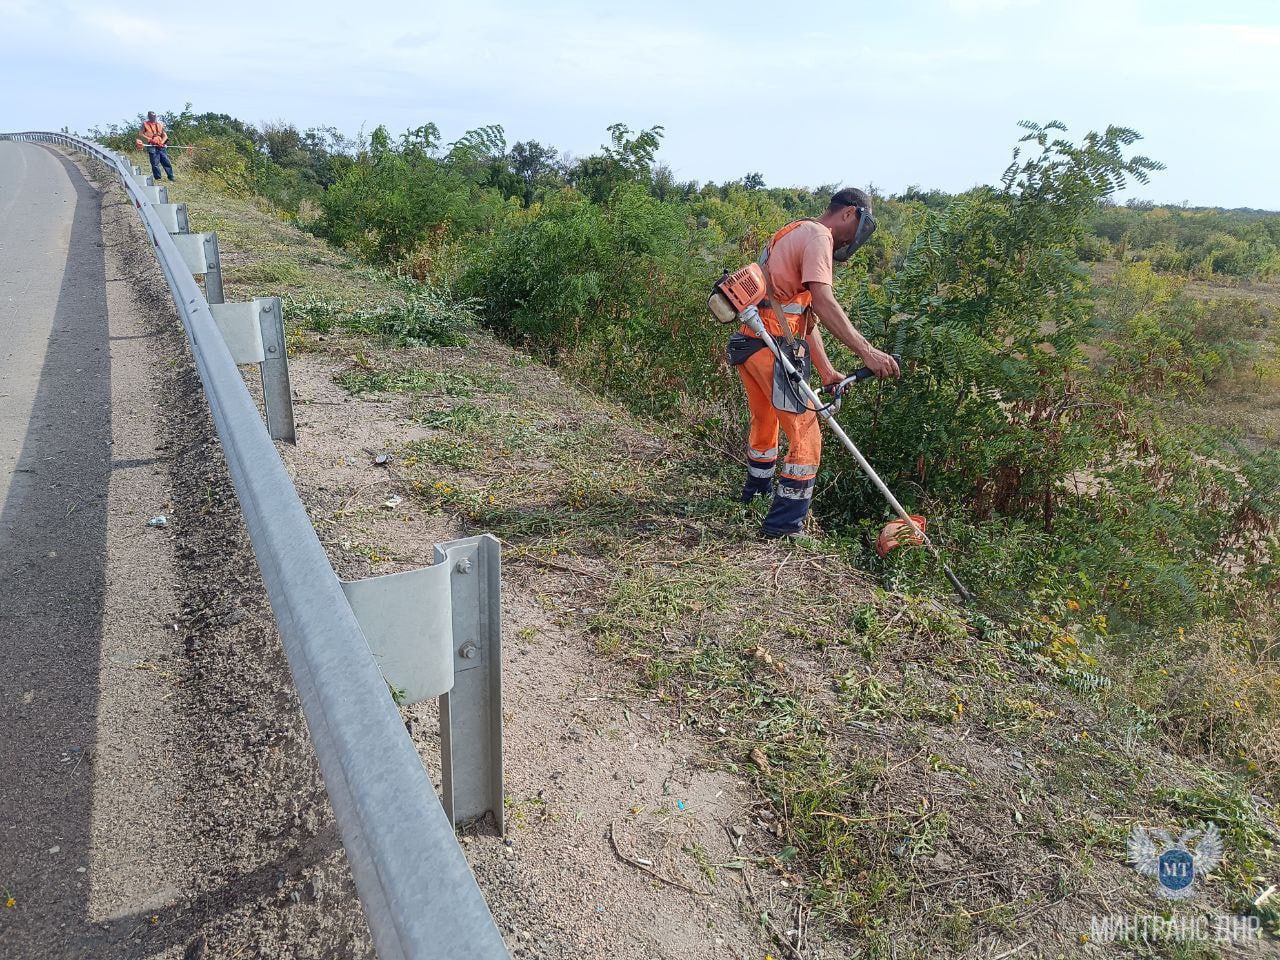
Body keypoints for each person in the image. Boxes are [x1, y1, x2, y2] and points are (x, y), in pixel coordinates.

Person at [729, 188, 900, 538]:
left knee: (766, 423)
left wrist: (827, 371)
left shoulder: (795, 231)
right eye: (861, 226)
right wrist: (867, 352)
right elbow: (823, 301)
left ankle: (754, 497)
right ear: (849, 214)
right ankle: (783, 527)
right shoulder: (820, 235)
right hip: (771, 346)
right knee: (807, 437)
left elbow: (805, 321)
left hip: (751, 343)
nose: (856, 238)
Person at [141, 111, 174, 182]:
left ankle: (171, 177)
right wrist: (150, 140)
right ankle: (158, 178)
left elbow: (165, 135)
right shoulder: (145, 124)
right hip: (152, 146)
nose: (153, 118)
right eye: (151, 116)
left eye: (154, 116)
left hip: (161, 146)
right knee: (155, 163)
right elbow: (141, 134)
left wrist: (162, 142)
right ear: (149, 117)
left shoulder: (160, 124)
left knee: (166, 161)